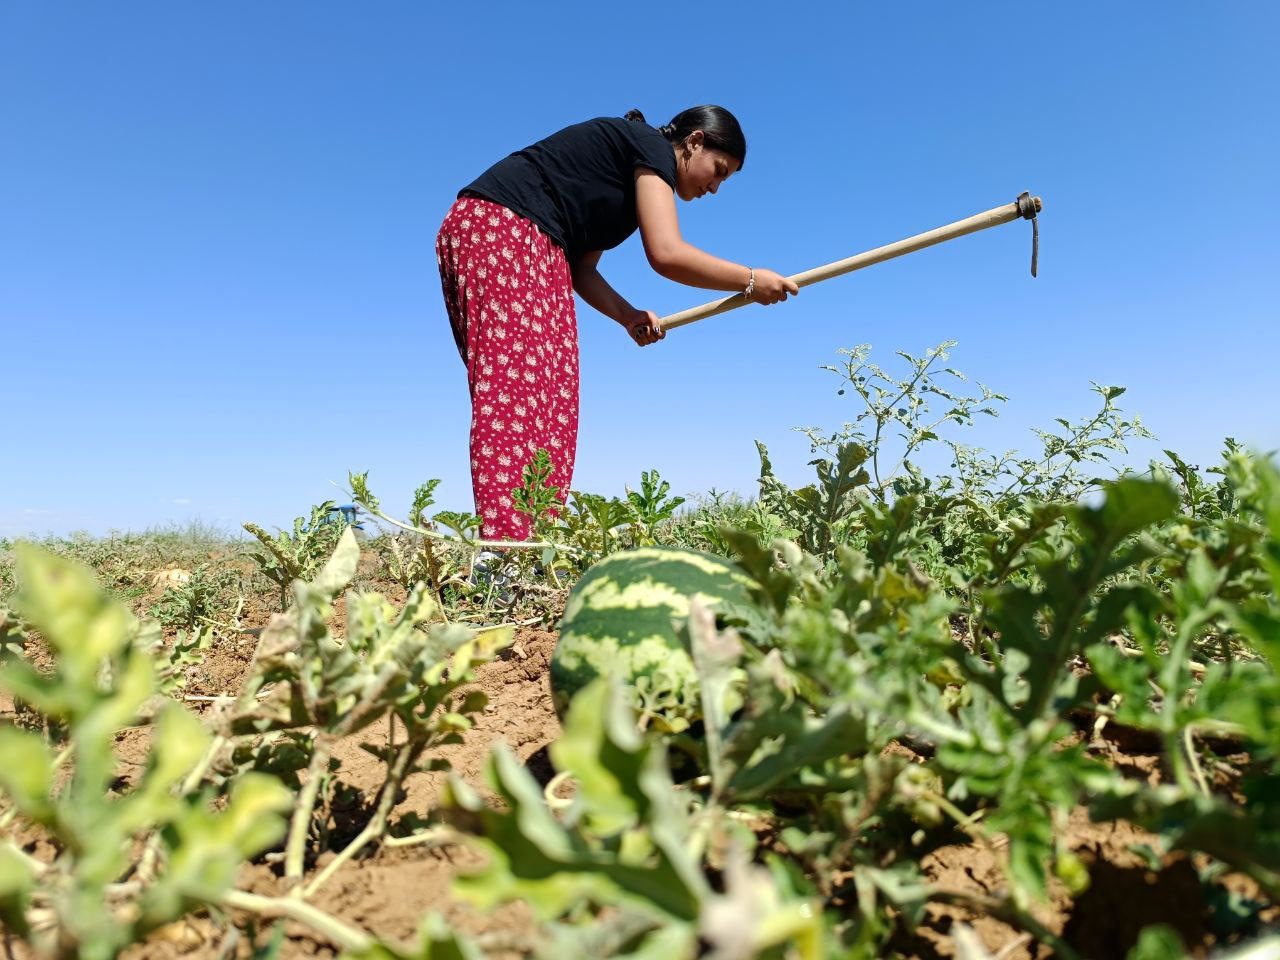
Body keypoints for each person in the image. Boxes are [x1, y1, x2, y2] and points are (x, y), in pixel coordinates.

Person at [436, 105, 798, 542]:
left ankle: (534, 543)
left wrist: (626, 315)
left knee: (555, 398)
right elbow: (666, 253)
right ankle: (503, 550)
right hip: (502, 229)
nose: (716, 187)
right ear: (694, 141)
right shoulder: (650, 147)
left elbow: (582, 269)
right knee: (516, 394)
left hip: (540, 247)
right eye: (719, 170)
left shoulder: (628, 190)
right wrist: (751, 280)